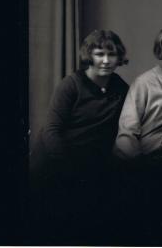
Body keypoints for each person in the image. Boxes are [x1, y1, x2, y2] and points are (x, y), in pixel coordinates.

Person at [36, 29, 129, 242]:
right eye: (99, 54)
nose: (106, 60)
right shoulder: (72, 84)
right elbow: (51, 131)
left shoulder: (120, 87)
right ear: (89, 56)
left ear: (119, 57)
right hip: (56, 166)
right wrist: (72, 171)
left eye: (111, 54)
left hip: (91, 168)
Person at [112, 23, 162, 243]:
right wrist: (140, 169)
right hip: (142, 168)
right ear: (160, 52)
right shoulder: (143, 84)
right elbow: (126, 135)